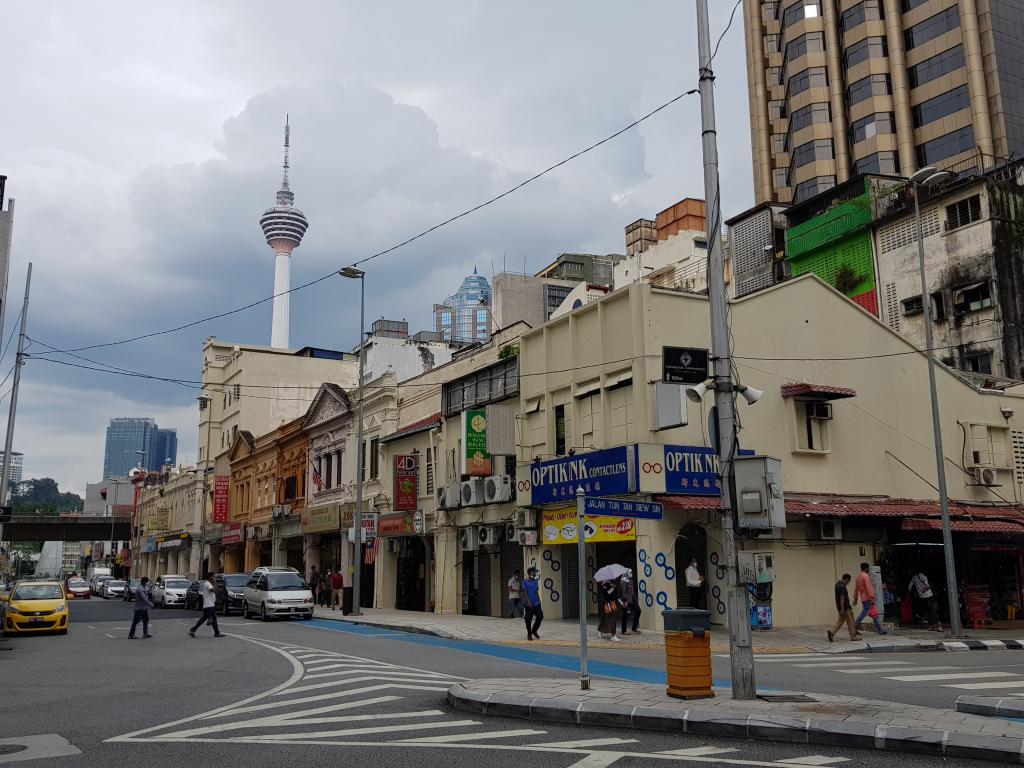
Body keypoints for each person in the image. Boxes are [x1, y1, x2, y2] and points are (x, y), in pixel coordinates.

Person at [853, 562, 886, 635]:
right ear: (866, 568)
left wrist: (855, 598)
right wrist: (872, 597)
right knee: (865, 612)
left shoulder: (858, 577)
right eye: (868, 568)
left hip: (863, 597)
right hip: (868, 597)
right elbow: (869, 587)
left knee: (874, 614)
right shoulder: (865, 576)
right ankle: (855, 625)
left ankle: (880, 630)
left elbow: (856, 589)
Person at [188, 573, 224, 638]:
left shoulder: (207, 583)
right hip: (209, 605)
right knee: (212, 619)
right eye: (214, 577)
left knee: (206, 619)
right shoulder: (207, 584)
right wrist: (214, 583)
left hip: (209, 605)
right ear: (210, 577)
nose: (215, 578)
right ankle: (216, 632)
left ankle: (192, 630)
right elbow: (213, 590)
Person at [828, 574, 862, 642]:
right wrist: (842, 609)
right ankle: (853, 637)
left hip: (840, 607)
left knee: (840, 621)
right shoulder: (843, 586)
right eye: (849, 581)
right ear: (846, 579)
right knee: (851, 622)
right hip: (846, 608)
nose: (849, 582)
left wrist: (840, 609)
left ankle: (832, 633)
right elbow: (842, 597)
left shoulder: (837, 584)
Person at [522, 566, 543, 640]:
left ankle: (534, 630)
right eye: (533, 572)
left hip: (536, 603)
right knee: (528, 619)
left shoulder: (535, 581)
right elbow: (525, 592)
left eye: (535, 572)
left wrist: (539, 600)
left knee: (540, 616)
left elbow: (536, 591)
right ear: (529, 573)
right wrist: (528, 601)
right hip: (529, 604)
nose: (534, 573)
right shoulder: (525, 581)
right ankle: (529, 634)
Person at [619, 569, 641, 635]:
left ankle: (634, 628)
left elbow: (631, 590)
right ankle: (623, 631)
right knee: (625, 615)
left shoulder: (630, 580)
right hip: (626, 600)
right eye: (630, 573)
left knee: (638, 611)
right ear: (627, 573)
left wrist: (634, 596)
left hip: (632, 599)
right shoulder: (623, 581)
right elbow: (623, 592)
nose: (631, 574)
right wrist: (625, 601)